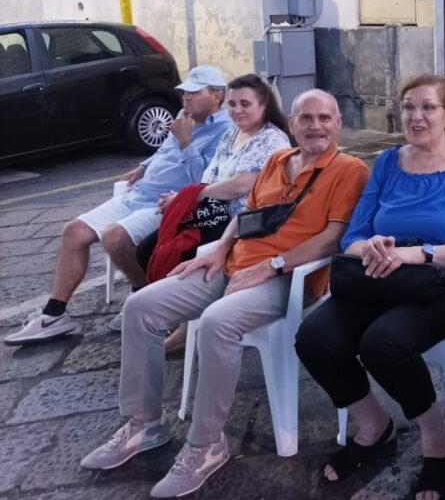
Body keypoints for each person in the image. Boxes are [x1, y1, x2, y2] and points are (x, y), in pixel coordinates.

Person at [78, 89, 368, 498]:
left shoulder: (350, 170)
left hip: (289, 278)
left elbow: (332, 238)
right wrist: (219, 249)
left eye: (324, 118)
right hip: (233, 264)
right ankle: (144, 425)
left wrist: (272, 265)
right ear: (292, 122)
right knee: (140, 306)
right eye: (305, 118)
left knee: (218, 321)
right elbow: (246, 215)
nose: (315, 126)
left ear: (338, 123)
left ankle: (206, 444)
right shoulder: (277, 160)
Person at [294, 75, 445, 500]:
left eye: (427, 107)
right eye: (408, 106)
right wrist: (372, 245)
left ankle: (437, 439)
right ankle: (373, 425)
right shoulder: (388, 162)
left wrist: (419, 253)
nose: (416, 116)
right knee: (314, 337)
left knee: (383, 343)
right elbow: (353, 236)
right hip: (380, 279)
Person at [4, 65, 231, 346]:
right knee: (74, 231)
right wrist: (143, 166)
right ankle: (53, 315)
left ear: (217, 95)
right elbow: (164, 151)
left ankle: (146, 298)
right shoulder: (183, 118)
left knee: (114, 237)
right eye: (184, 92)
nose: (186, 97)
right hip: (138, 194)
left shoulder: (225, 131)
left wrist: (186, 142)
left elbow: (205, 181)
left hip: (170, 203)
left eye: (194, 92)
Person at [135, 74, 292, 351]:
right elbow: (209, 176)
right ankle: (176, 316)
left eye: (245, 104)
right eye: (232, 104)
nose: (237, 110)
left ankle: (187, 325)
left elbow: (240, 185)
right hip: (211, 212)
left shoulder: (271, 139)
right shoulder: (232, 134)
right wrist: (182, 198)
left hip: (239, 222)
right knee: (148, 249)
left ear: (264, 105)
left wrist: (192, 195)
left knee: (178, 253)